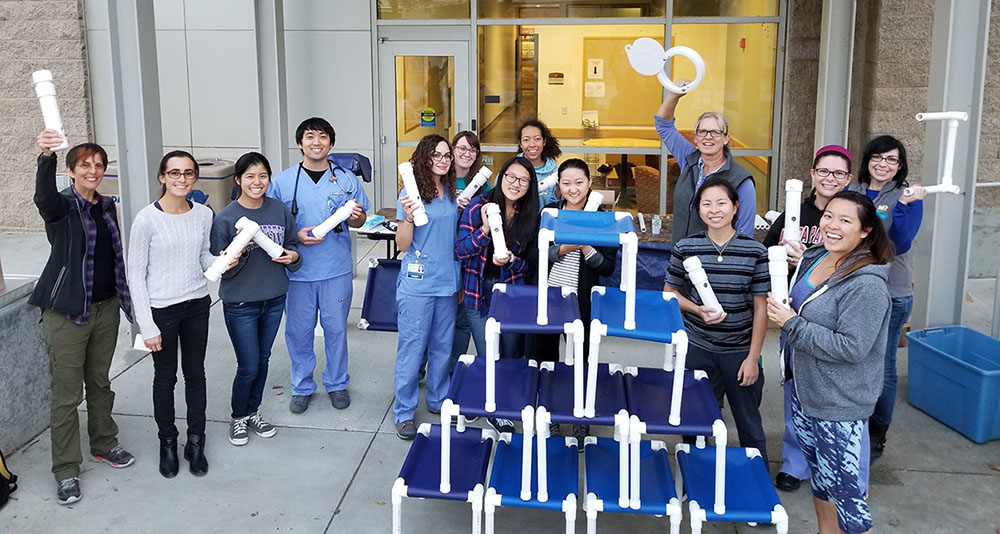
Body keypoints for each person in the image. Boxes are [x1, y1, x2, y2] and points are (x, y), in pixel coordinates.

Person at [766, 190, 894, 534]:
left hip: (839, 402)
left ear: (866, 231)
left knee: (848, 498)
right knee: (822, 480)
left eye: (845, 220)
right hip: (805, 392)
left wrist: (790, 322)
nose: (832, 225)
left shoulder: (867, 285)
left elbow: (852, 348)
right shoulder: (817, 256)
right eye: (828, 216)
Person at [30, 129, 136, 505]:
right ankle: (66, 470)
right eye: (85, 165)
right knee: (66, 395)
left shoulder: (106, 206)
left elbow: (116, 258)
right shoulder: (60, 206)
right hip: (67, 313)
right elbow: (43, 197)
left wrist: (128, 305)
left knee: (100, 383)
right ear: (72, 170)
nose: (93, 170)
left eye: (98, 165)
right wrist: (46, 156)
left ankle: (104, 442)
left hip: (106, 309)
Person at [766, 145, 856, 492]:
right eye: (824, 171)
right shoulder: (794, 213)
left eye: (838, 173)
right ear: (812, 174)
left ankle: (834, 463)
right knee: (796, 389)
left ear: (848, 179)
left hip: (837, 315)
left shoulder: (857, 214)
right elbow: (768, 251)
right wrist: (785, 262)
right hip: (795, 312)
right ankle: (796, 461)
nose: (829, 178)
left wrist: (812, 259)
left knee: (834, 393)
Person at [663, 176, 770, 466]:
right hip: (698, 347)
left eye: (722, 203)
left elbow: (761, 308)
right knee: (695, 421)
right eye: (706, 203)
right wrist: (697, 310)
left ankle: (756, 482)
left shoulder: (754, 251)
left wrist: (753, 358)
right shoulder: (686, 247)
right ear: (698, 209)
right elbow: (669, 294)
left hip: (739, 351)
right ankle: (696, 474)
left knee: (749, 423)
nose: (714, 209)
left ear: (735, 207)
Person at [267, 117, 370, 414]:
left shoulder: (346, 180)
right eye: (310, 137)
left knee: (336, 329)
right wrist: (294, 237)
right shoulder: (283, 182)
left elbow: (362, 218)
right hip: (298, 271)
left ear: (331, 143)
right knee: (299, 332)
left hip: (335, 269)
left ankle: (337, 383)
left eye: (322, 137)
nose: (316, 142)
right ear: (300, 143)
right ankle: (301, 386)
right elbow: (272, 224)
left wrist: (356, 218)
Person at [128, 151, 215, 478]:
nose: (182, 178)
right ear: (162, 177)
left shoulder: (204, 214)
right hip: (161, 310)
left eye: (188, 173)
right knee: (165, 379)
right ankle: (167, 441)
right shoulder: (146, 219)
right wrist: (146, 325)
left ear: (195, 177)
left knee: (196, 374)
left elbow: (203, 256)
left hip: (197, 304)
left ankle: (196, 441)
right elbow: (135, 275)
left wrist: (220, 264)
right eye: (174, 173)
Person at [211, 152, 301, 446]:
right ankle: (238, 417)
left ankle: (253, 412)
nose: (257, 182)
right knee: (248, 364)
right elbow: (215, 262)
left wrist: (293, 256)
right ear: (238, 180)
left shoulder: (278, 210)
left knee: (262, 360)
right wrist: (229, 261)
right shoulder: (226, 218)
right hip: (240, 303)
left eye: (262, 176)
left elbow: (292, 246)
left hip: (274, 298)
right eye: (249, 176)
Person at [848, 135, 925, 460]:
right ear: (867, 160)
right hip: (854, 287)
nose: (883, 164)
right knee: (855, 357)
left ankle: (878, 429)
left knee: (884, 363)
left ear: (900, 165)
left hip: (891, 293)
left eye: (892, 160)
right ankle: (856, 419)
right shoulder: (855, 193)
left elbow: (900, 243)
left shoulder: (906, 196)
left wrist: (905, 208)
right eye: (878, 157)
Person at [456, 156, 540, 432]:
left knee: (511, 353)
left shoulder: (530, 217)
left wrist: (512, 260)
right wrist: (483, 230)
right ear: (501, 177)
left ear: (530, 186)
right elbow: (461, 250)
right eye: (511, 177)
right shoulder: (478, 207)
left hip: (512, 295)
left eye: (523, 180)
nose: (515, 184)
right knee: (487, 354)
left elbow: (529, 264)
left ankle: (497, 400)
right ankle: (491, 406)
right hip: (478, 292)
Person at [534, 158, 617, 440]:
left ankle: (580, 415)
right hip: (548, 298)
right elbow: (537, 255)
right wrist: (569, 243)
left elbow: (607, 266)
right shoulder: (550, 213)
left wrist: (585, 244)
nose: (573, 188)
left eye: (579, 182)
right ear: (558, 185)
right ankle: (551, 413)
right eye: (566, 183)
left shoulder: (602, 217)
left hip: (580, 302)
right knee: (547, 360)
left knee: (580, 360)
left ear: (590, 183)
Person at [393, 135, 461, 440]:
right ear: (424, 157)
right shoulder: (411, 193)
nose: (444, 160)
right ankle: (404, 412)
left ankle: (437, 399)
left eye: (447, 156)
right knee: (412, 348)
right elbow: (403, 245)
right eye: (437, 155)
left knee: (443, 346)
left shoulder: (453, 192)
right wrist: (407, 218)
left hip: (447, 282)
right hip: (418, 284)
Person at [654, 81, 756, 243]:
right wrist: (674, 94)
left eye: (715, 132)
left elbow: (745, 233)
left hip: (716, 261)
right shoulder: (688, 159)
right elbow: (663, 125)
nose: (708, 137)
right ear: (695, 138)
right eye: (702, 131)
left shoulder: (741, 179)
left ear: (725, 138)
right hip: (681, 255)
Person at [446, 131, 491, 371]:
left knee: (462, 319)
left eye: (472, 150)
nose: (467, 154)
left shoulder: (483, 184)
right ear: (452, 150)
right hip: (441, 253)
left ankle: (453, 368)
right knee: (436, 318)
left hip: (468, 255)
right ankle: (422, 367)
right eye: (461, 148)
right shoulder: (441, 177)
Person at [517, 119, 561, 208]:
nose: (532, 144)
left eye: (537, 139)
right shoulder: (510, 171)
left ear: (544, 142)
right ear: (520, 144)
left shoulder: (555, 172)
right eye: (526, 140)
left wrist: (558, 192)